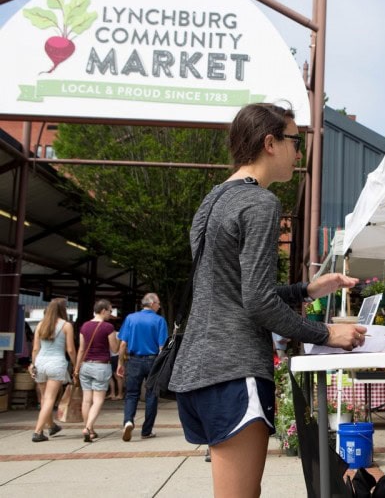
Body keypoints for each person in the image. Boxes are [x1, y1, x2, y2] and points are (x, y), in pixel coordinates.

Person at [169, 103, 367, 498]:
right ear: (270, 143)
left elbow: (230, 291)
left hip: (197, 371)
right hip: (234, 368)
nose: (300, 152)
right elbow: (257, 303)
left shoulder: (212, 201)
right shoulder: (260, 203)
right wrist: (327, 333)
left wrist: (306, 291)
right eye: (297, 141)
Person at [116, 293, 168, 441]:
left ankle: (128, 421)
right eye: (158, 303)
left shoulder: (131, 318)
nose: (159, 306)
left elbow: (123, 344)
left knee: (131, 394)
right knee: (152, 394)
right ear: (152, 304)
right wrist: (162, 366)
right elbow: (162, 346)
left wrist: (120, 363)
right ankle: (146, 430)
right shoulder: (159, 320)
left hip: (133, 360)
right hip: (153, 361)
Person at [29, 298, 77, 442]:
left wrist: (33, 364)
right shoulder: (66, 325)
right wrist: (75, 365)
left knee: (44, 398)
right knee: (50, 398)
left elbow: (35, 348)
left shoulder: (40, 325)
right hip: (56, 363)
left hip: (41, 362)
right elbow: (70, 349)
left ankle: (51, 426)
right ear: (63, 309)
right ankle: (38, 431)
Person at [74, 299, 118, 442]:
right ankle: (88, 427)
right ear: (103, 310)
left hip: (85, 365)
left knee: (86, 400)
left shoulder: (84, 326)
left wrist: (76, 367)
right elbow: (114, 349)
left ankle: (90, 429)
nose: (111, 314)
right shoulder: (108, 327)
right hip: (101, 365)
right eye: (110, 311)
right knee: (98, 400)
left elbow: (81, 349)